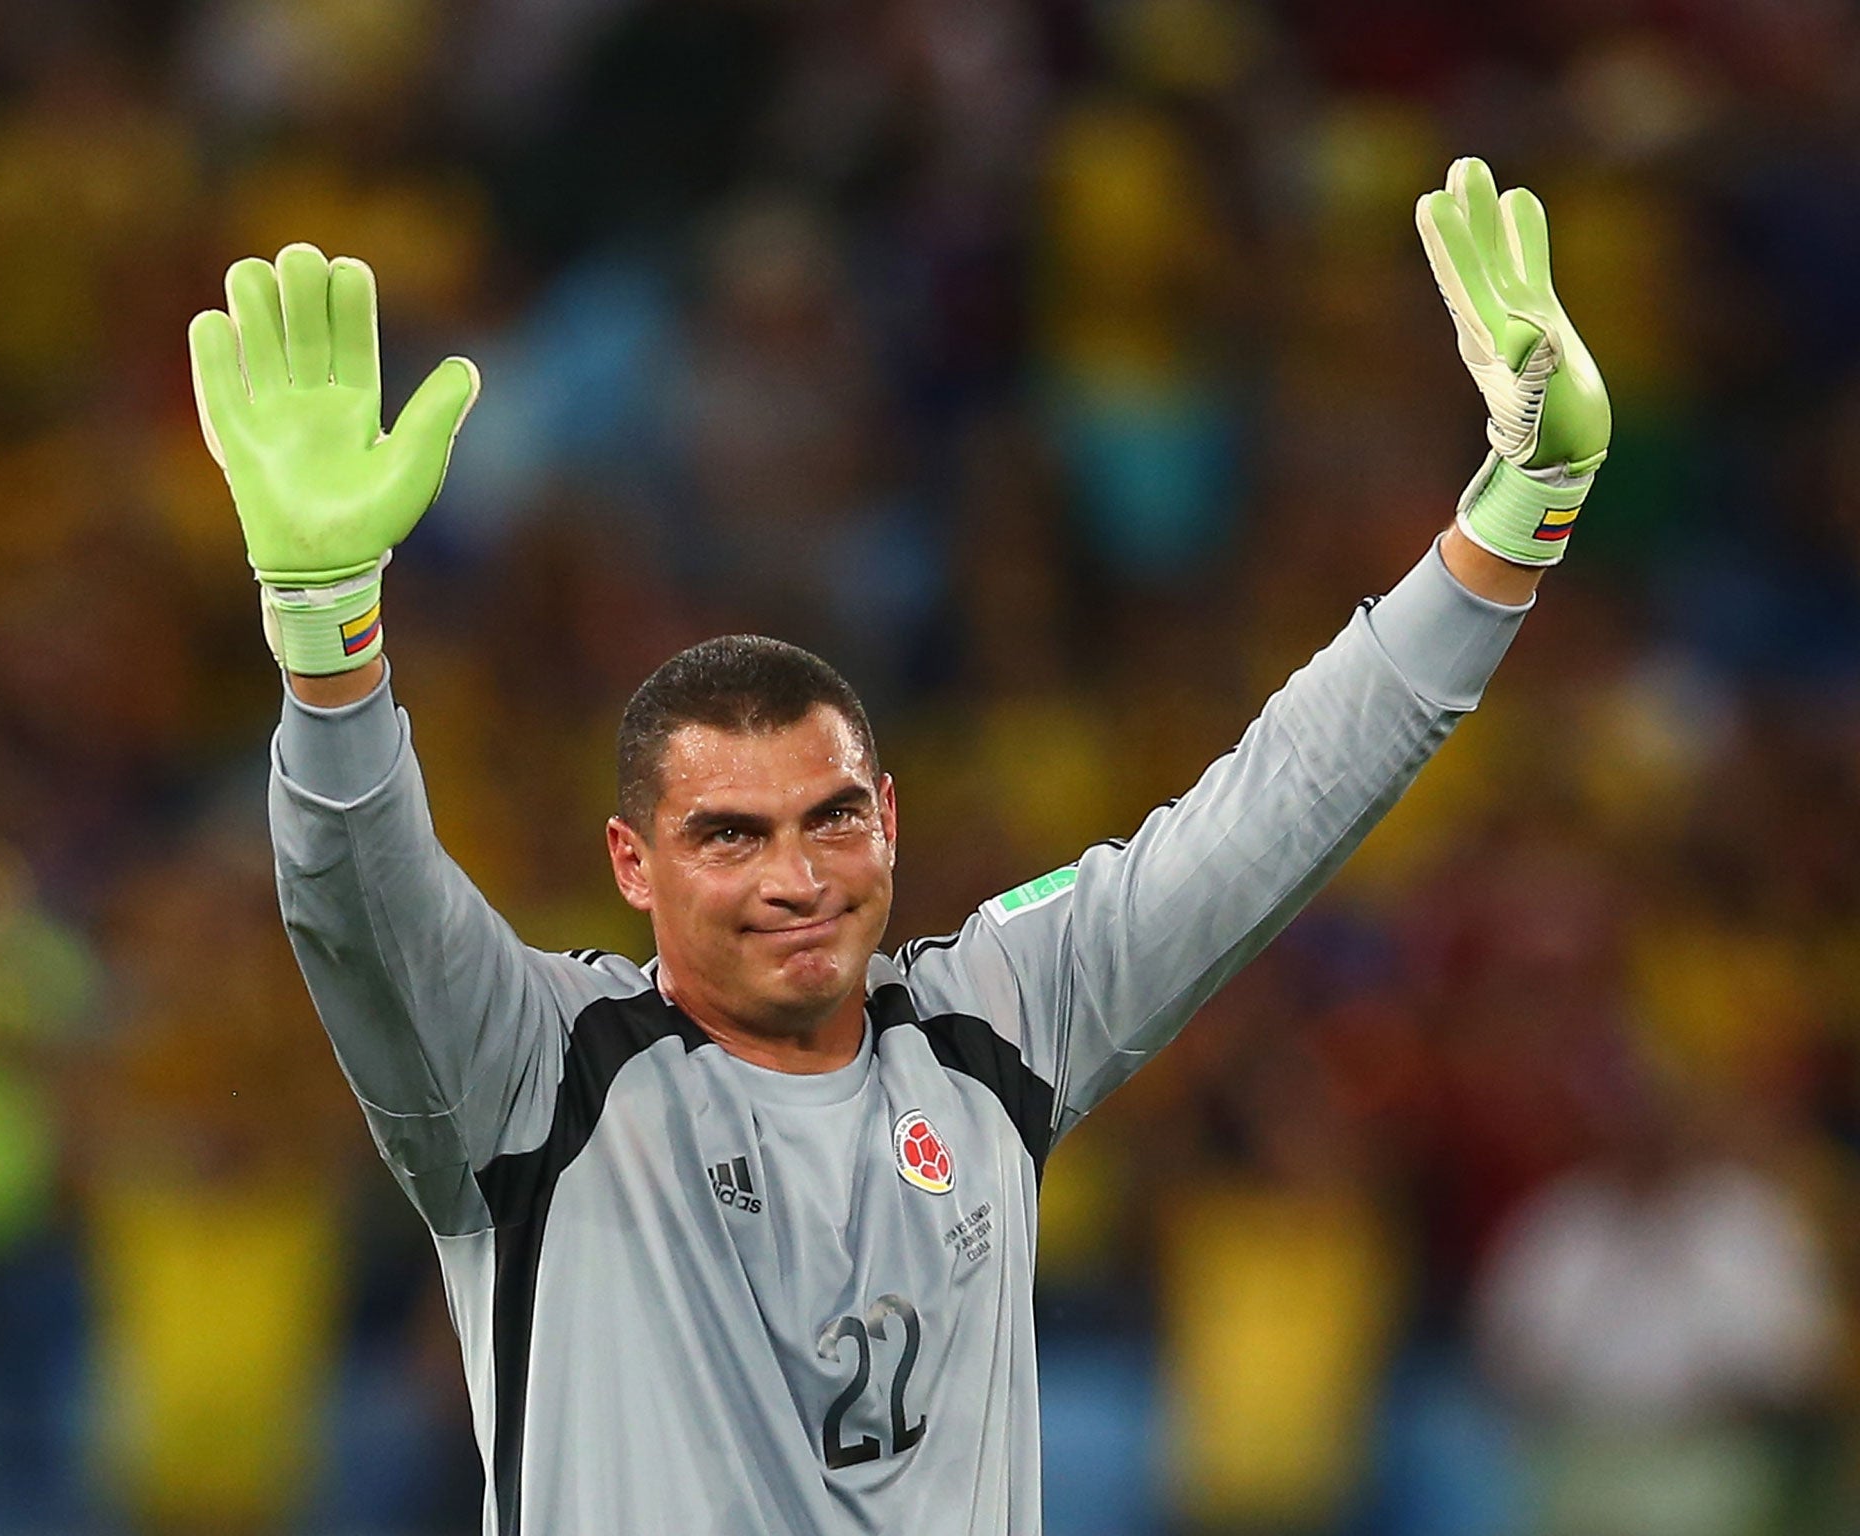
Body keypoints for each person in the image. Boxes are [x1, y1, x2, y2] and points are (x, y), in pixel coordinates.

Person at [186, 156, 1610, 1536]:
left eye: (832, 819)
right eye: (729, 836)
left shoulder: (997, 1022)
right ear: (634, 865)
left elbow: (1279, 802)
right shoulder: (530, 1077)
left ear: (890, 820)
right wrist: (329, 650)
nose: (797, 878)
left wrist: (1516, 520)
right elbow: (358, 905)